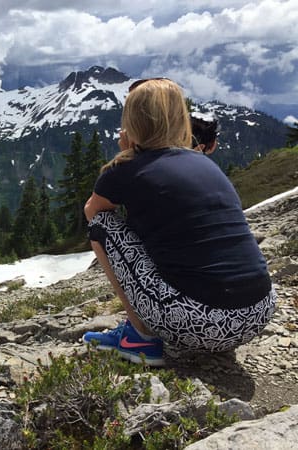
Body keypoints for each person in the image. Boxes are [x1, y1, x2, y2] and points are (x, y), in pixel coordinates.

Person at [82, 78, 276, 366]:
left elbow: (93, 210)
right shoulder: (206, 163)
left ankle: (140, 337)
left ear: (131, 122)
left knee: (101, 224)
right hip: (258, 313)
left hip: (199, 323)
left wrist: (127, 155)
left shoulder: (125, 170)